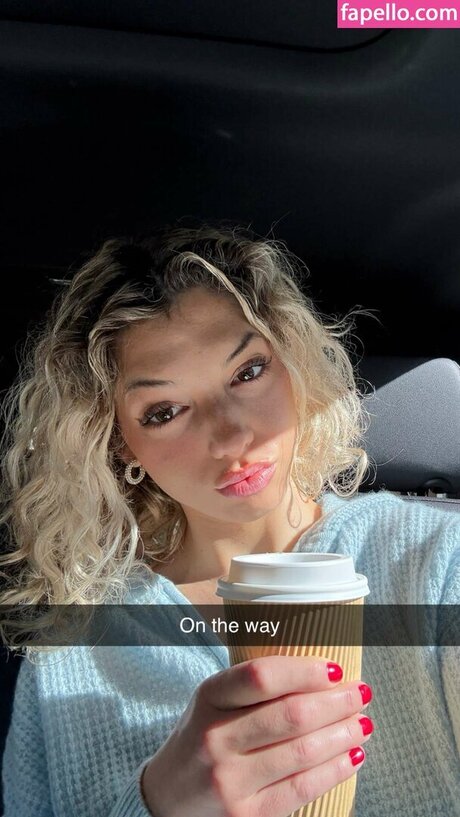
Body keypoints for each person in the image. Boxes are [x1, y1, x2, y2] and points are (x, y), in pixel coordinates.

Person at [0, 222, 458, 817]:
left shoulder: (436, 558)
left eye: (247, 372)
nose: (231, 437)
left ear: (293, 362)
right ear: (118, 443)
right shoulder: (72, 644)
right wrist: (157, 805)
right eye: (165, 411)